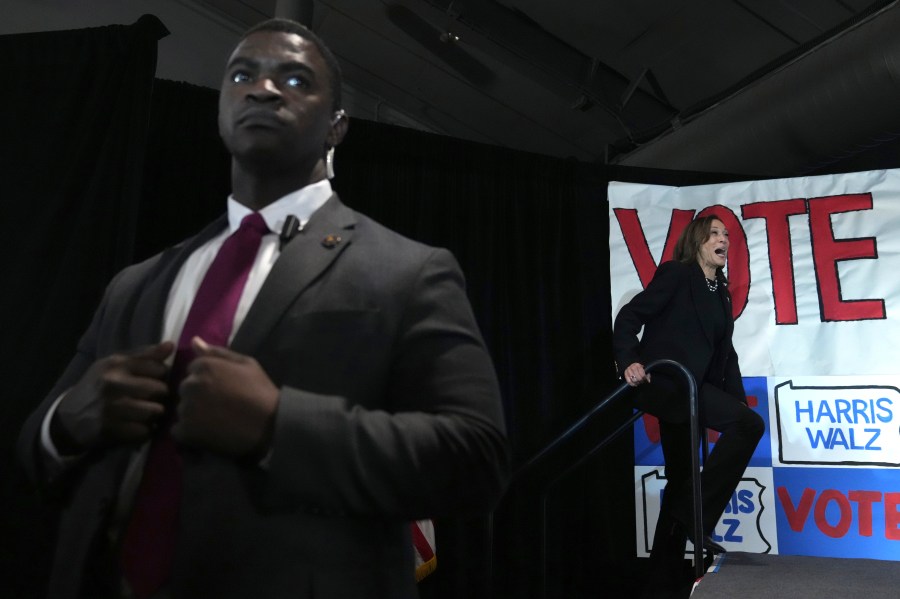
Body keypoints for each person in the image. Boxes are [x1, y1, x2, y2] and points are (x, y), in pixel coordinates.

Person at [17, 18, 508, 599]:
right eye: (242, 75)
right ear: (222, 108)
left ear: (337, 127)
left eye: (296, 80)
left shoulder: (409, 271)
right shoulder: (136, 282)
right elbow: (34, 446)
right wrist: (68, 420)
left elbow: (476, 461)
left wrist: (278, 425)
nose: (263, 88)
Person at [613, 215, 764, 597]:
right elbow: (630, 316)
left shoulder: (722, 292)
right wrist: (628, 359)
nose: (724, 240)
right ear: (697, 241)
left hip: (697, 390)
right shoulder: (677, 275)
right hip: (671, 384)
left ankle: (659, 581)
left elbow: (725, 355)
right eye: (715, 233)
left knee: (731, 437)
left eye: (727, 235)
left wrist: (737, 403)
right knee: (737, 436)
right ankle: (694, 515)